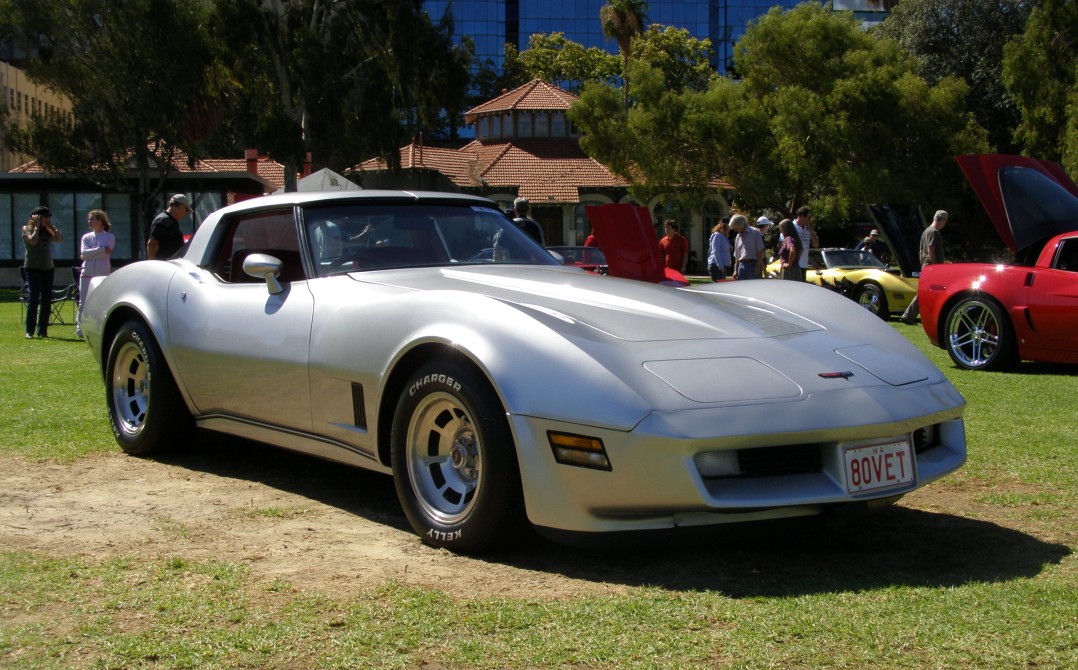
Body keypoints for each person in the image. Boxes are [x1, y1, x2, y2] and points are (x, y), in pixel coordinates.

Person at [21, 205, 66, 339]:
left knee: (46, 300)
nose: (47, 219)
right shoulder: (27, 229)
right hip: (33, 268)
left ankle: (42, 331)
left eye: (48, 217)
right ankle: (29, 331)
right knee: (34, 298)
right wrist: (36, 226)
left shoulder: (48, 230)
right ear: (37, 217)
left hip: (48, 268)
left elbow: (60, 239)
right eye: (45, 217)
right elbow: (33, 241)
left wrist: (52, 227)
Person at [901, 210, 948, 324]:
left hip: (926, 265)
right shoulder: (934, 232)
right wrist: (935, 266)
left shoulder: (925, 231)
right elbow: (931, 248)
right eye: (945, 222)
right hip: (932, 267)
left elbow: (921, 251)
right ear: (942, 221)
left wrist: (923, 265)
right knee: (929, 293)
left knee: (926, 293)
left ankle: (910, 316)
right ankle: (908, 316)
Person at [76, 209, 115, 338]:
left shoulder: (109, 237)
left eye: (92, 219)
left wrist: (92, 253)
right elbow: (84, 254)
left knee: (102, 301)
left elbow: (106, 254)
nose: (89, 221)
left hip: (102, 273)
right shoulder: (86, 237)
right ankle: (80, 328)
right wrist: (101, 249)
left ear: (100, 221)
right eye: (89, 219)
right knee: (83, 301)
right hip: (86, 273)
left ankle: (101, 327)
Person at [146, 193, 191, 260]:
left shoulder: (171, 221)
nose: (185, 213)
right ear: (180, 206)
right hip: (164, 263)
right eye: (186, 209)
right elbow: (151, 245)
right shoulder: (163, 220)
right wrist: (154, 264)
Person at [730, 214, 765, 280]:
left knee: (753, 285)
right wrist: (735, 270)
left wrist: (757, 267)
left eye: (735, 227)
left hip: (753, 265)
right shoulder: (738, 236)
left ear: (740, 225)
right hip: (741, 266)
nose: (735, 230)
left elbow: (760, 251)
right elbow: (737, 255)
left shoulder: (755, 232)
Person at [792, 206, 819, 281]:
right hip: (794, 265)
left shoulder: (808, 229)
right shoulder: (792, 227)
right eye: (808, 218)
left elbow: (816, 245)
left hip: (804, 264)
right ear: (801, 216)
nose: (810, 220)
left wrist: (812, 233)